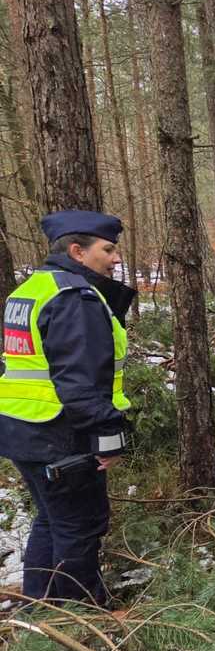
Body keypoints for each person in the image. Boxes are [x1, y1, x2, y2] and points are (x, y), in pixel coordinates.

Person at [0, 211, 137, 607]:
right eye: (107, 250)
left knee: (52, 519)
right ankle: (83, 615)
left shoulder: (31, 290)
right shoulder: (73, 298)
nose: (115, 258)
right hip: (60, 434)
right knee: (80, 526)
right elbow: (81, 383)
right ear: (78, 251)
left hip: (23, 429)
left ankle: (42, 608)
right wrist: (109, 438)